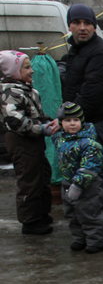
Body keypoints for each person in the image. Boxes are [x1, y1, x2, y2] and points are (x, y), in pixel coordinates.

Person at [62, 4, 103, 237]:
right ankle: (97, 222)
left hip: (93, 121)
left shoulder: (99, 51)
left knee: (93, 172)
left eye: (87, 23)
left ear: (94, 27)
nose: (82, 27)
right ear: (69, 25)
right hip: (82, 120)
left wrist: (67, 116)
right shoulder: (76, 50)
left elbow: (92, 92)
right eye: (77, 22)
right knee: (91, 172)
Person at [0, 50, 57, 235]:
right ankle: (30, 221)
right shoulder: (9, 93)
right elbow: (16, 122)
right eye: (26, 67)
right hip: (21, 142)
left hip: (34, 142)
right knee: (29, 180)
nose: (31, 71)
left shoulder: (29, 89)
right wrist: (42, 128)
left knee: (43, 175)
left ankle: (41, 213)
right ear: (13, 71)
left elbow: (37, 115)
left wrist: (50, 121)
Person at [51, 102, 103, 253]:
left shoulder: (88, 143)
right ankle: (79, 238)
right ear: (61, 123)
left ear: (81, 122)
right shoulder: (60, 138)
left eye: (76, 120)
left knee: (89, 212)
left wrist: (78, 184)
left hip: (87, 185)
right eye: (67, 121)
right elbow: (50, 132)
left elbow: (90, 166)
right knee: (72, 213)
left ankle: (96, 241)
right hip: (67, 182)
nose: (72, 124)